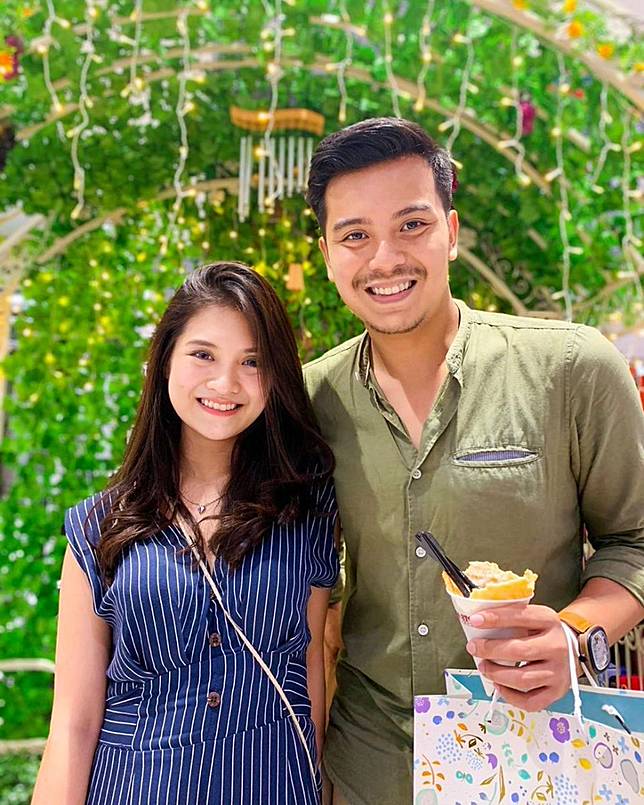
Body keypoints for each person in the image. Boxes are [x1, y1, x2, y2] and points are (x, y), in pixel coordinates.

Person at [303, 117, 644, 805]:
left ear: (451, 232)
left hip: (535, 757)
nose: (385, 259)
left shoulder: (570, 369)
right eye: (355, 235)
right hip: (371, 767)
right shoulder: (309, 402)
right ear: (328, 254)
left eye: (412, 225)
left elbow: (634, 539)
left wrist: (575, 634)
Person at [33, 262, 339, 804]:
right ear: (165, 360)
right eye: (203, 355)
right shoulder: (98, 525)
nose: (225, 383)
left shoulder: (306, 509)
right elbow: (74, 724)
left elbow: (311, 674)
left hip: (275, 785)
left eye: (252, 362)